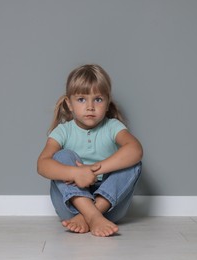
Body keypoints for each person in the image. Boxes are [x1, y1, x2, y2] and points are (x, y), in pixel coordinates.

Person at [37, 64, 143, 237]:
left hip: (110, 207)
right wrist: (75, 173)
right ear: (69, 104)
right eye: (81, 99)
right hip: (70, 205)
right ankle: (92, 215)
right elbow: (42, 165)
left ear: (107, 103)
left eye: (98, 99)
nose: (90, 106)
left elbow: (135, 149)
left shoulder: (112, 127)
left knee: (133, 163)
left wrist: (94, 169)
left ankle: (89, 215)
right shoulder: (63, 131)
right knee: (61, 156)